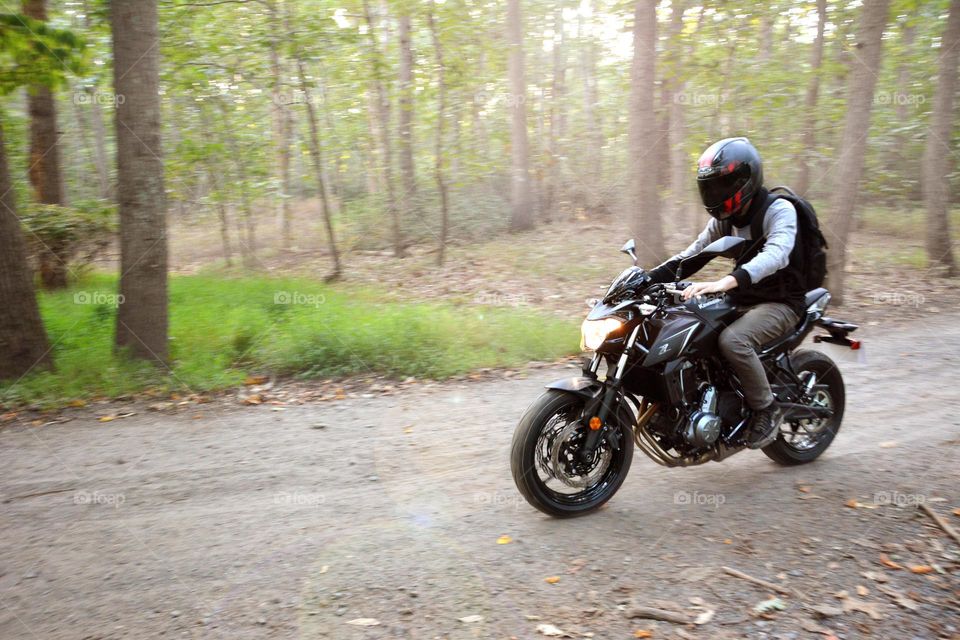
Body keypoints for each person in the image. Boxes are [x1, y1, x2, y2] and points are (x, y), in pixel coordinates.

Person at [647, 137, 808, 449]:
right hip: (743, 298)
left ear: (746, 180)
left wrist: (726, 282)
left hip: (781, 302)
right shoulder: (725, 221)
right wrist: (646, 278)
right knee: (692, 329)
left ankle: (766, 408)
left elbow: (777, 255)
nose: (716, 194)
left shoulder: (779, 211)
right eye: (711, 187)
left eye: (723, 185)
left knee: (733, 340)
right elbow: (692, 256)